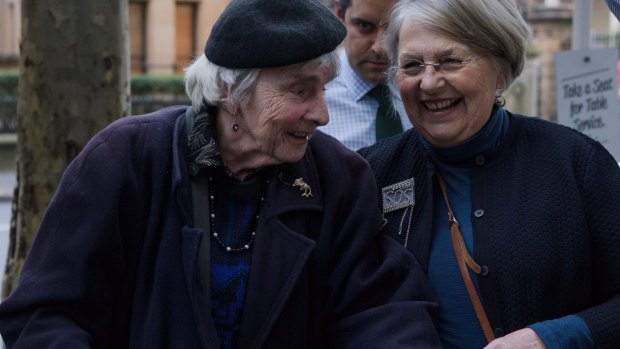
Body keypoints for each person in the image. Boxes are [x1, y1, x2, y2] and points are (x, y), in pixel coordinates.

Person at [0, 0, 442, 348]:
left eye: (322, 89)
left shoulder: (339, 176)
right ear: (233, 89)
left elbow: (381, 310)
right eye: (300, 90)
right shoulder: (126, 159)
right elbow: (49, 313)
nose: (322, 114)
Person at [358, 0, 620, 348]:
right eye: (412, 65)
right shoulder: (371, 174)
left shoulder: (575, 164)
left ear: (501, 67)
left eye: (451, 61)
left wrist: (553, 338)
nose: (430, 82)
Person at [319, 0, 410, 150]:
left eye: (394, 29)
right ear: (339, 13)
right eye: (365, 26)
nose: (380, 48)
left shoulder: (427, 90)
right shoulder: (312, 100)